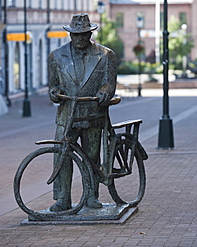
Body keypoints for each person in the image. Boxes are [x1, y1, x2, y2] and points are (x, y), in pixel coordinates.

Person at [47, 13, 117, 211]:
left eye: (83, 35)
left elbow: (109, 83)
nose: (79, 39)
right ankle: (62, 198)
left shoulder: (105, 55)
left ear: (90, 34)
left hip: (93, 113)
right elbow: (53, 86)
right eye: (75, 35)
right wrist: (55, 93)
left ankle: (91, 195)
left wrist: (105, 92)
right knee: (61, 155)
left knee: (91, 157)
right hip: (66, 115)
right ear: (70, 34)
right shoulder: (56, 56)